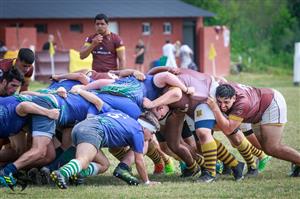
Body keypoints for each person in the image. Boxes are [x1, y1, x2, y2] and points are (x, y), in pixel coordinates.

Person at [206, 83, 300, 177]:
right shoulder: (223, 88)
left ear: (234, 98)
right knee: (261, 146)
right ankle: (295, 160)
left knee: (272, 148)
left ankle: (297, 161)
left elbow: (228, 129)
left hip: (270, 105)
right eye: (219, 102)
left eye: (226, 102)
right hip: (256, 109)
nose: (222, 106)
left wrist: (215, 108)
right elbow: (220, 80)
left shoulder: (242, 104)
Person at [50, 111, 161, 189]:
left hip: (80, 126)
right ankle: (62, 173)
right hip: (93, 131)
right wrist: (147, 181)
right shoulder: (138, 132)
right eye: (152, 133)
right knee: (83, 160)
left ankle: (78, 173)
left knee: (104, 164)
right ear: (145, 128)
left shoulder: (123, 116)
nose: (151, 138)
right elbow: (139, 161)